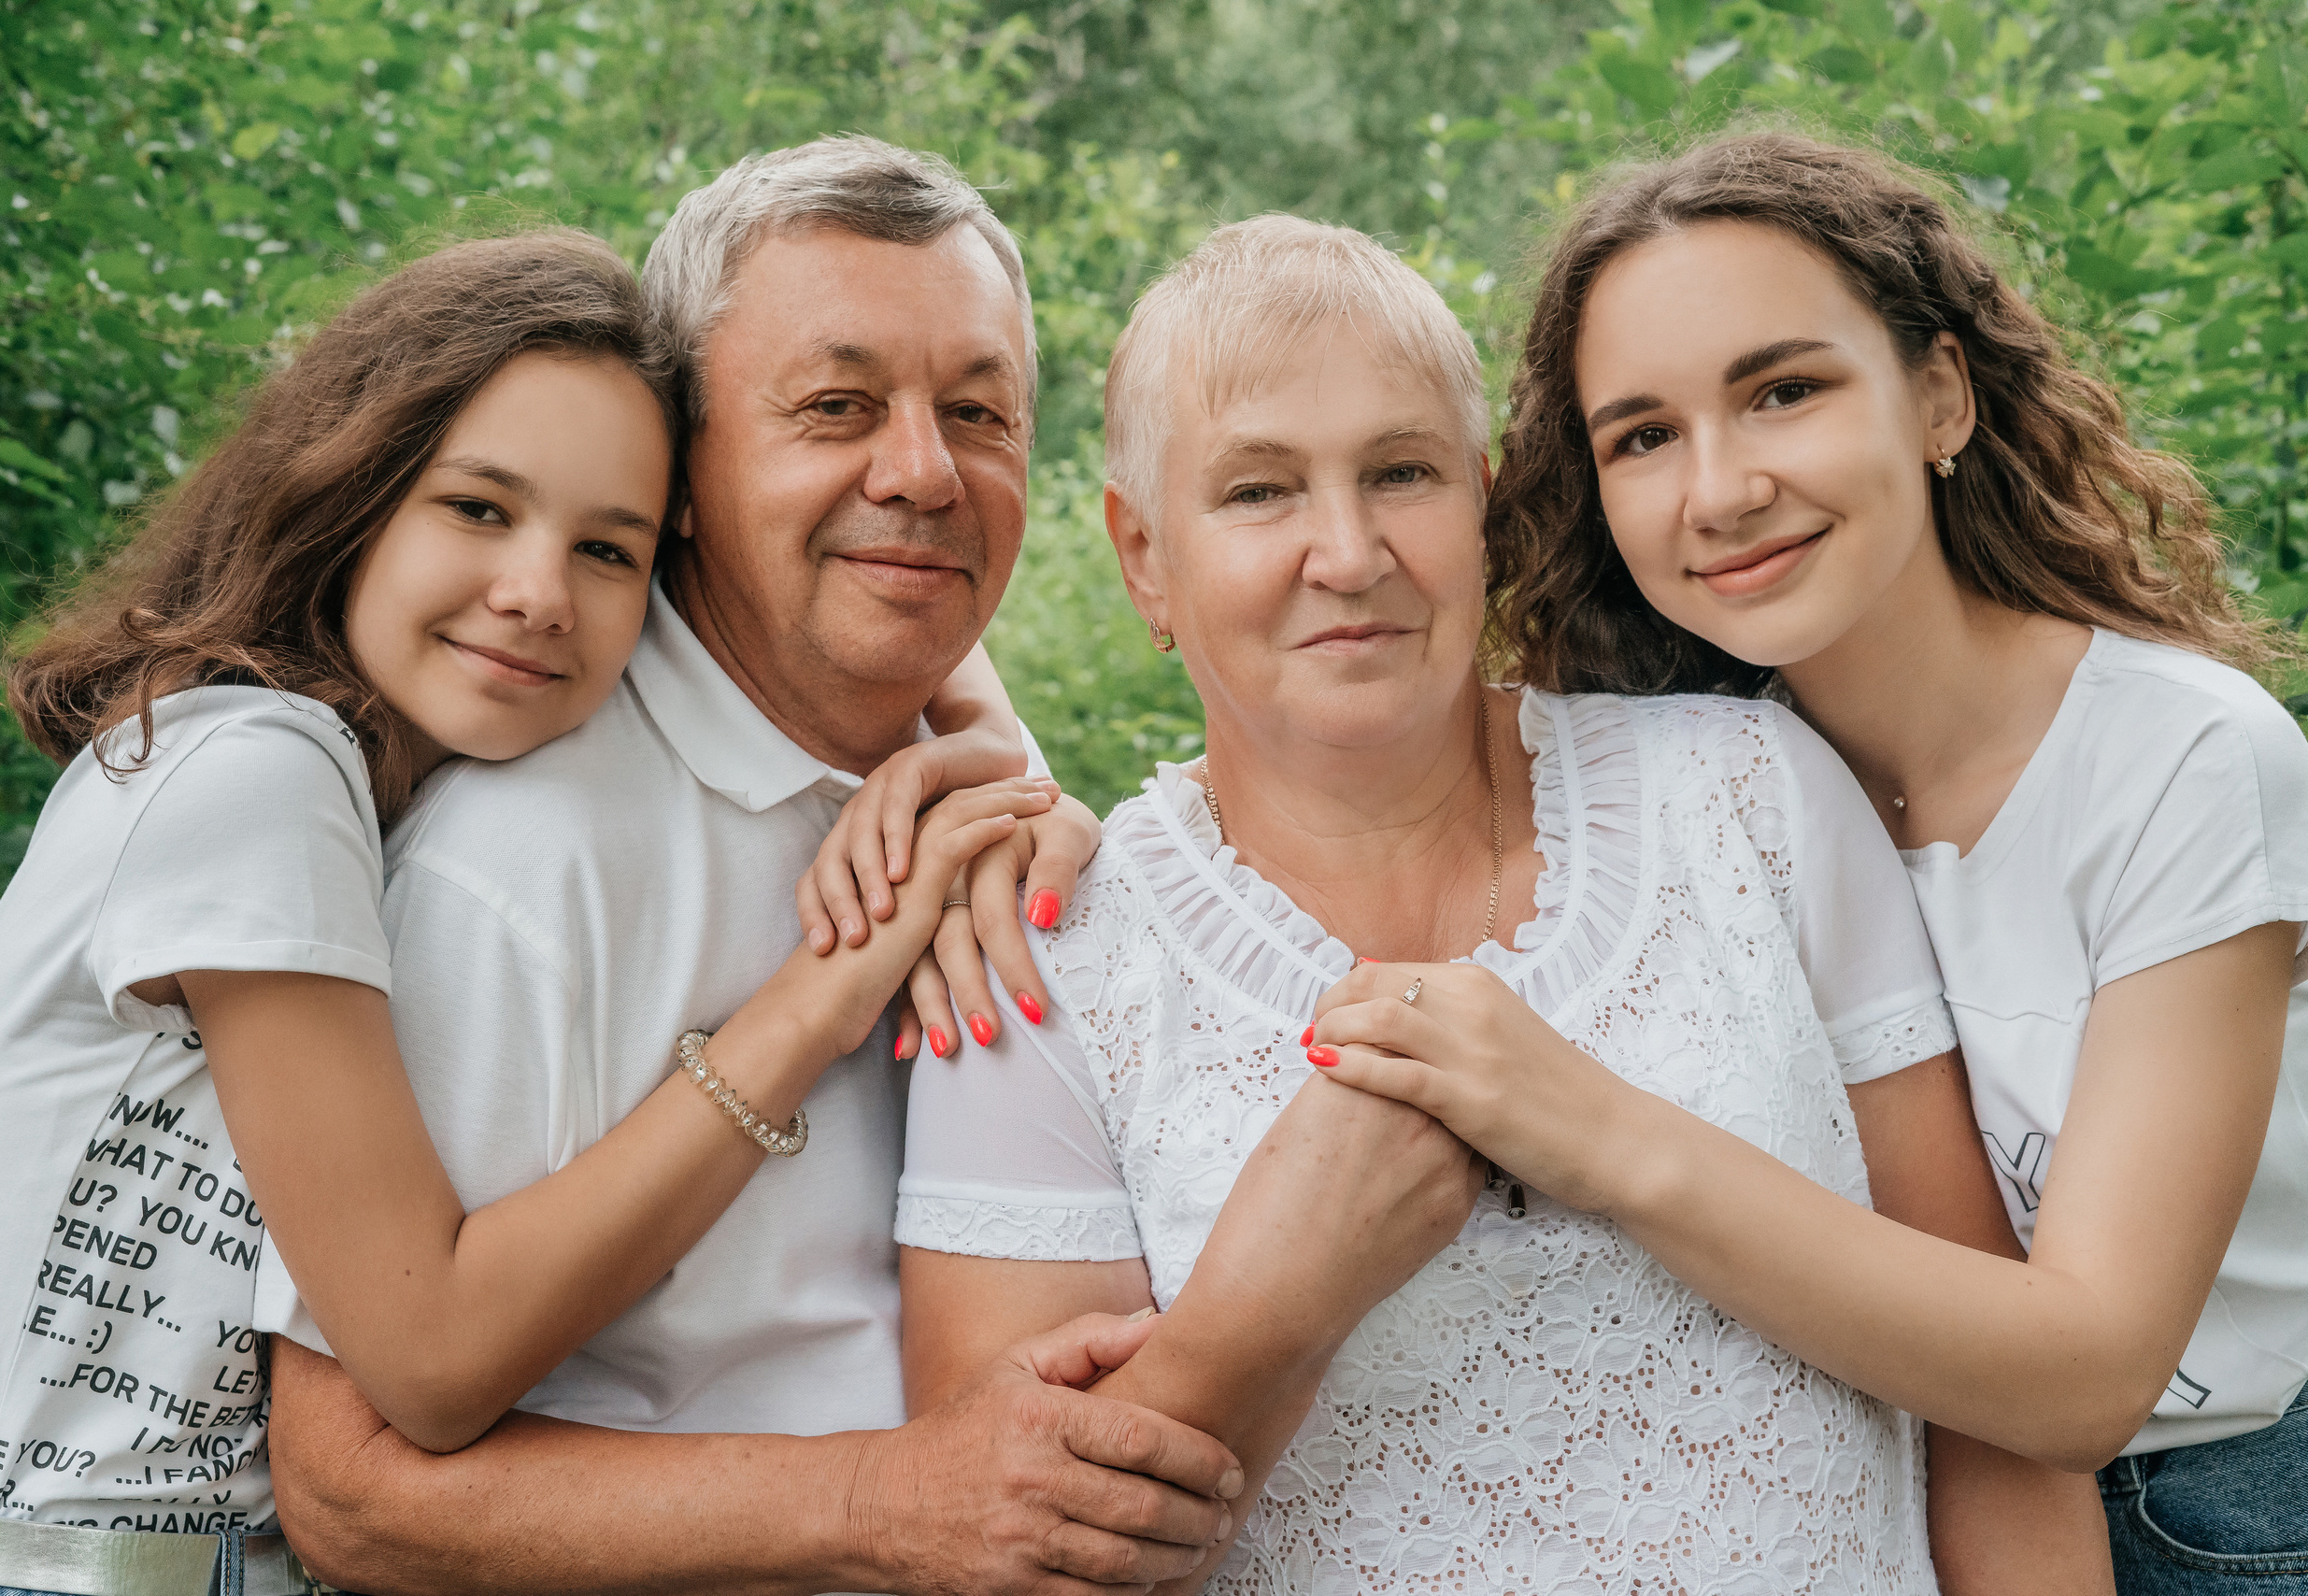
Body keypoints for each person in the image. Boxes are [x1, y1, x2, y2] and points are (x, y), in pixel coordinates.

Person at [894, 214, 2111, 1590]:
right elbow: (999, 1555)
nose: (1347, 554)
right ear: (1143, 561)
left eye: (1401, 473)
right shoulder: (1042, 956)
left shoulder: (1751, 798)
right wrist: (1276, 1302)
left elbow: (1998, 1420)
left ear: (1480, 504)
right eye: (1259, 493)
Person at [0, 229, 1055, 1593]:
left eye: (607, 550)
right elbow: (433, 1354)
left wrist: (979, 740)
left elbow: (865, 566)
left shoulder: (376, 781)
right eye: (476, 509)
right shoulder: (251, 774)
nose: (534, 596)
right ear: (352, 491)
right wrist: (820, 994)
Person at [255, 136, 1248, 1596]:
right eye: (835, 408)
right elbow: (348, 1493)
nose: (922, 472)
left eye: (978, 413)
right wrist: (885, 1503)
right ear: (682, 474)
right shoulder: (528, 859)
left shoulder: (982, 806)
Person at [1324, 131, 2307, 1591]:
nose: (1717, 492)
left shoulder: (2183, 763)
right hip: (1878, 1503)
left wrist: (1596, 1133)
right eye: (1642, 436)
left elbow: (2091, 1369)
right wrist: (1018, 806)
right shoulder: (1706, 785)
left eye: (1784, 391)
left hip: (2207, 1516)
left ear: (1940, 395)